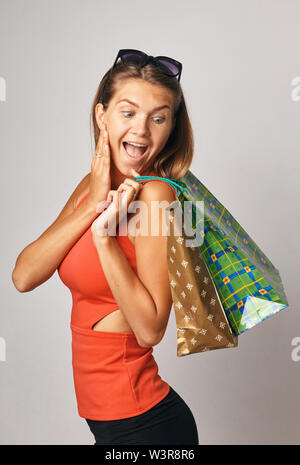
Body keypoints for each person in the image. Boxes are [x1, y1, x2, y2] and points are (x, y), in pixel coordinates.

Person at [12, 49, 198, 445]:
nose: (142, 130)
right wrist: (95, 203)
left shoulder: (156, 197)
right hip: (108, 423)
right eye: (128, 113)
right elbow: (24, 275)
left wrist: (104, 238)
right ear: (103, 116)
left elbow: (150, 330)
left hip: (147, 425)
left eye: (158, 117)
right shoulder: (90, 185)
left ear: (170, 127)